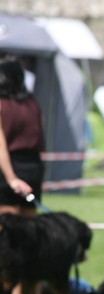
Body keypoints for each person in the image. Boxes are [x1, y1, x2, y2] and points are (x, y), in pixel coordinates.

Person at [0, 54, 43, 218]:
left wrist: (11, 178)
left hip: (7, 169)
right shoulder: (33, 103)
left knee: (6, 229)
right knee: (28, 229)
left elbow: (1, 148)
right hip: (33, 167)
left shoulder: (1, 105)